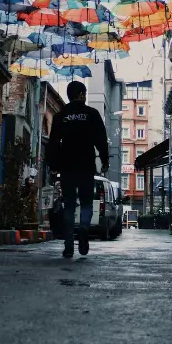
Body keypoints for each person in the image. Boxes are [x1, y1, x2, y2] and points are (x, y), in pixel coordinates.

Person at [46, 80, 109, 259]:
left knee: (69, 205)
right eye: (85, 92)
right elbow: (101, 140)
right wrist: (104, 161)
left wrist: (53, 165)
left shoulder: (60, 116)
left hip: (67, 168)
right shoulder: (92, 114)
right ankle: (83, 228)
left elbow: (53, 144)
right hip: (86, 166)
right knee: (87, 203)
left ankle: (68, 245)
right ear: (81, 94)